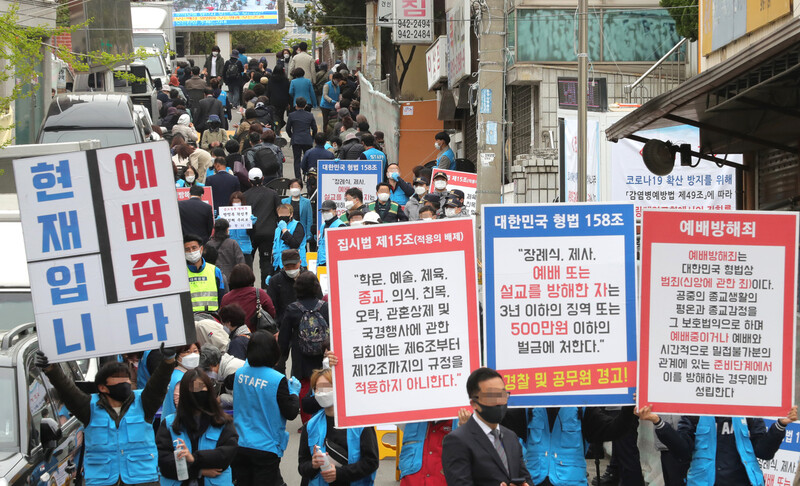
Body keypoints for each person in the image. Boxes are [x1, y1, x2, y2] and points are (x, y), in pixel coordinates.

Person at [35, 344, 177, 486]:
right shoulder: (88, 407)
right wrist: (51, 369)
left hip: (143, 480)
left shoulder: (144, 402)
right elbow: (66, 389)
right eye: (118, 378)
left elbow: (160, 381)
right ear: (102, 387)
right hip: (101, 481)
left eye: (127, 378)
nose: (125, 382)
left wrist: (168, 361)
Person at [636, 405, 798, 486]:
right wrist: (658, 422)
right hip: (703, 481)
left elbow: (764, 452)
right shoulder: (695, 411)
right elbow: (683, 452)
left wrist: (780, 425)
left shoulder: (748, 409)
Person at [232, 330, 301, 486]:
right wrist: (294, 393)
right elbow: (290, 412)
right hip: (265, 446)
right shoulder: (276, 379)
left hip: (240, 443)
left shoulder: (240, 374)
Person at [442, 367, 532, 486]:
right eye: (491, 397)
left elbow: (525, 478)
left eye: (502, 394)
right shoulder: (457, 440)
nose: (499, 402)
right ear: (474, 403)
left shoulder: (511, 437)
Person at [156, 368, 238, 486]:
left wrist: (194, 458)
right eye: (194, 388)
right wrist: (198, 471)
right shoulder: (169, 424)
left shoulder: (223, 422)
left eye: (202, 387)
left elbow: (225, 456)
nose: (199, 392)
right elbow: (165, 464)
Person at [298, 368, 379, 485]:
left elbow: (371, 462)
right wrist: (313, 465)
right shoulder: (310, 426)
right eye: (317, 388)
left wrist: (339, 473)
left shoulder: (360, 423)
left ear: (339, 387)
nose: (322, 392)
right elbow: (302, 466)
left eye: (327, 387)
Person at [278, 271, 327, 423]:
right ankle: (323, 418)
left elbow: (284, 338)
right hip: (322, 356)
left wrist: (281, 358)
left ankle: (307, 423)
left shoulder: (293, 309)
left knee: (304, 387)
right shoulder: (325, 307)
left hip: (301, 358)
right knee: (324, 384)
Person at [244, 168, 283, 285]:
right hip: (268, 233)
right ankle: (265, 289)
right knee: (266, 262)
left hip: (250, 233)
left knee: (248, 261)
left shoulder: (244, 195)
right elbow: (279, 212)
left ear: (248, 180)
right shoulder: (273, 194)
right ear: (262, 178)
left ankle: (249, 287)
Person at [220, 263, 276, 332]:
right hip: (256, 334)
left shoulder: (226, 298)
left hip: (235, 336)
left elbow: (222, 320)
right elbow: (271, 312)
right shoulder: (259, 293)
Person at [185, 234, 226, 312]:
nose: (191, 252)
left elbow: (222, 297)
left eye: (194, 248)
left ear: (201, 249)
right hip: (189, 318)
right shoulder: (181, 273)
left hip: (211, 316)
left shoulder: (215, 271)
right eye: (187, 249)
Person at [267, 249, 303, 322]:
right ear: (283, 265)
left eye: (293, 266)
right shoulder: (275, 281)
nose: (291, 269)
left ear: (300, 262)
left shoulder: (308, 278)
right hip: (283, 324)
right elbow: (271, 307)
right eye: (288, 267)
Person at [286, 97, 318, 179]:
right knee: (307, 157)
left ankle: (298, 177)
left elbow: (288, 128)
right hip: (307, 139)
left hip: (296, 139)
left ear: (296, 105)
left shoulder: (292, 115)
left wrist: (291, 135)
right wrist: (312, 137)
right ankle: (306, 173)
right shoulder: (310, 115)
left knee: (297, 159)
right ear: (305, 105)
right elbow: (315, 128)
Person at [273, 204, 307, 272]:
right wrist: (271, 271)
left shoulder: (298, 226)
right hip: (280, 265)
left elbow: (295, 244)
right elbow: (275, 250)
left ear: (291, 214)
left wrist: (285, 231)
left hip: (295, 265)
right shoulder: (277, 229)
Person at [224, 192, 255, 266]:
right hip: (230, 250)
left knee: (247, 274)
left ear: (242, 201)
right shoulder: (225, 214)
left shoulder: (248, 215)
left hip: (244, 250)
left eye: (238, 201)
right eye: (234, 201)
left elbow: (252, 234)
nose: (236, 203)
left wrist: (252, 224)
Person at [283, 179, 313, 244]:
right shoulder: (284, 201)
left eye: (297, 187)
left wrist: (309, 234)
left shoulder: (306, 202)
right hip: (288, 231)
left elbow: (309, 219)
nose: (295, 189)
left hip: (301, 232)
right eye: (292, 187)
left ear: (301, 188)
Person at [317, 200, 344, 267]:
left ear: (335, 211)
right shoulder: (323, 225)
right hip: (321, 262)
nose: (325, 213)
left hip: (332, 263)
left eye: (328, 211)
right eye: (323, 211)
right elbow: (320, 244)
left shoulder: (340, 225)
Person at [265, 66, 291, 134]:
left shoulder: (271, 80)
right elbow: (288, 92)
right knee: (280, 116)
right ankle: (278, 129)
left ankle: (275, 130)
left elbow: (268, 91)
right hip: (283, 101)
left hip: (273, 101)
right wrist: (288, 102)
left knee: (273, 116)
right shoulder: (285, 80)